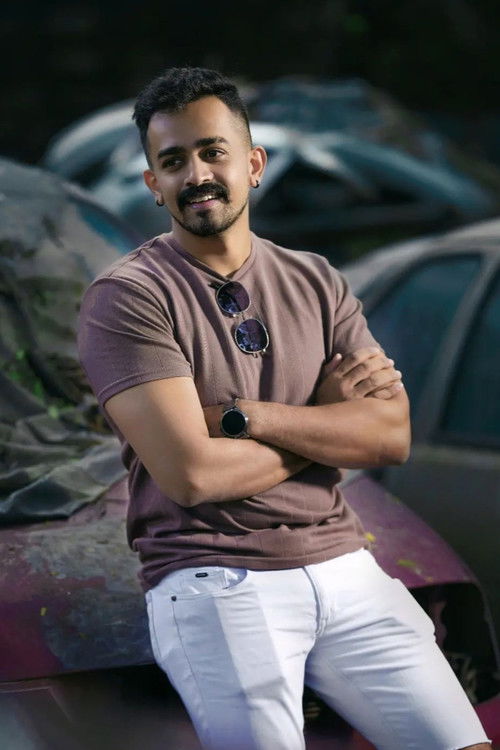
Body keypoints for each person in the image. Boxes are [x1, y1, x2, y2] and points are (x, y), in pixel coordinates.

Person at [77, 67, 490, 750]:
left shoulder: (316, 279)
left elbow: (390, 437)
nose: (197, 175)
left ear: (253, 164)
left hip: (345, 564)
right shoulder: (129, 298)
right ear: (153, 183)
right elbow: (194, 476)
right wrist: (327, 422)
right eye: (173, 162)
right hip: (216, 579)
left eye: (213, 151)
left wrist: (247, 416)